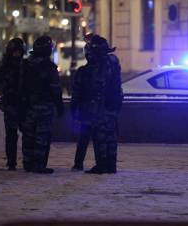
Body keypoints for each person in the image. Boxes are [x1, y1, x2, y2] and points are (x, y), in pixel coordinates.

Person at [70, 34, 123, 174]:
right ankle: (111, 165)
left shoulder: (90, 70)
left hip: (97, 109)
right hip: (111, 106)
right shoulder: (113, 63)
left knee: (99, 137)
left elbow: (83, 91)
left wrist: (75, 108)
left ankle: (101, 165)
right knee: (110, 137)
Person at [20, 35, 64, 174]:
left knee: (28, 135)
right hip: (45, 107)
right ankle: (39, 164)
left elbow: (19, 86)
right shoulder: (49, 67)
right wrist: (59, 106)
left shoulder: (26, 65)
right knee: (42, 136)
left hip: (27, 106)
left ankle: (28, 163)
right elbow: (55, 88)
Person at [0, 37, 26, 171]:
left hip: (23, 104)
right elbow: (1, 84)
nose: (16, 54)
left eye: (18, 52)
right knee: (11, 134)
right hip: (11, 104)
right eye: (14, 52)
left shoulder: (25, 66)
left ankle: (27, 160)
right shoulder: (6, 67)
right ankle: (11, 162)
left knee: (26, 133)